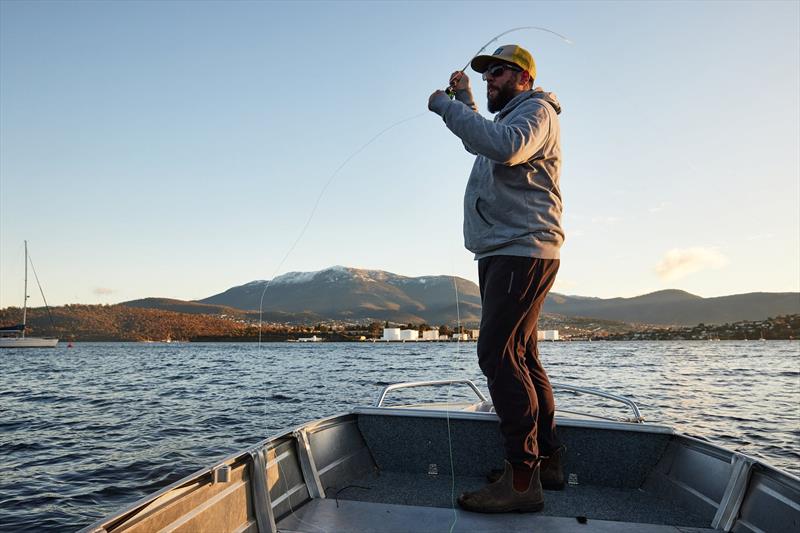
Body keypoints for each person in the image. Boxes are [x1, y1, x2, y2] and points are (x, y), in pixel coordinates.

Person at [427, 44, 565, 513]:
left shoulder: (536, 111)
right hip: (509, 250)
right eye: (487, 77)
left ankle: (522, 480)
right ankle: (544, 462)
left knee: (497, 353)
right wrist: (463, 100)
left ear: (524, 77)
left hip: (520, 250)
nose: (492, 81)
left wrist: (445, 107)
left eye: (500, 74)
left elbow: (503, 148)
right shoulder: (510, 118)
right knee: (521, 354)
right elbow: (484, 137)